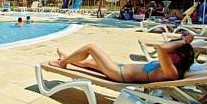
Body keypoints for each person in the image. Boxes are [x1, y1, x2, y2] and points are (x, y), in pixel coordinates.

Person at [49, 32, 195, 83]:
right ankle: (68, 57)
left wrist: (184, 41)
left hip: (119, 75)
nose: (171, 50)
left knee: (91, 47)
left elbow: (162, 48)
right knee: (90, 63)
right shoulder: (171, 66)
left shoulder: (172, 72)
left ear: (178, 57)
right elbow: (165, 47)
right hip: (120, 68)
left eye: (175, 50)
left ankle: (63, 62)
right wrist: (183, 40)